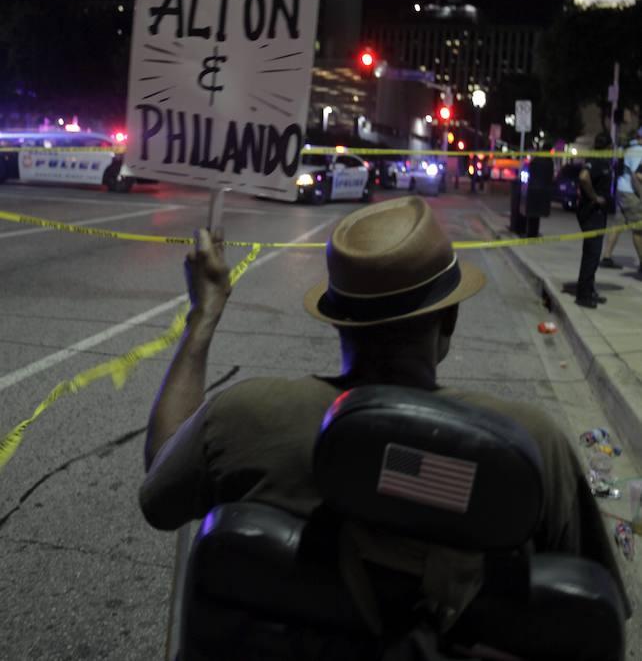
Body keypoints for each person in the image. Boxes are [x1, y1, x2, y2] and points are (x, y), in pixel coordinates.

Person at [139, 196, 631, 627]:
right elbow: (590, 610)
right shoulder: (528, 446)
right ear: (450, 318)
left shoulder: (244, 418)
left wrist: (202, 317)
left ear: (337, 321)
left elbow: (159, 493)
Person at [575, 132, 613, 309]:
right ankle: (583, 295)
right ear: (608, 148)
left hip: (596, 214)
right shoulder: (597, 161)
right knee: (591, 255)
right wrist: (595, 197)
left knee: (593, 254)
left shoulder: (599, 160)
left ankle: (588, 290)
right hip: (592, 213)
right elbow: (583, 177)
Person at [610, 126, 642, 280]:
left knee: (617, 225)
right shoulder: (639, 151)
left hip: (621, 189)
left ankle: (606, 256)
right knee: (638, 230)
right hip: (631, 193)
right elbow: (637, 176)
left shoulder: (630, 148)